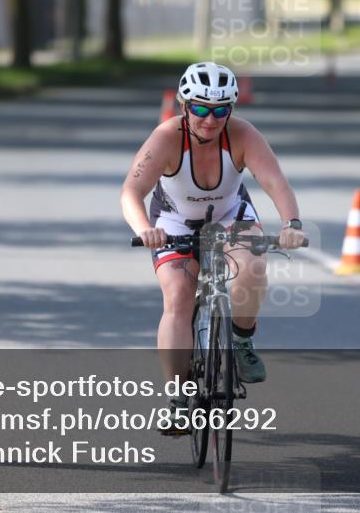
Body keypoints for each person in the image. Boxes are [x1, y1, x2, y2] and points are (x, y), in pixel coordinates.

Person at [120, 62, 304, 429]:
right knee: (178, 296)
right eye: (201, 108)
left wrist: (291, 224)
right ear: (184, 106)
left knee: (253, 266)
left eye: (220, 110)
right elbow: (131, 192)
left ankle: (241, 339)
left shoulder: (243, 135)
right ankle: (177, 398)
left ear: (231, 109)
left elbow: (275, 182)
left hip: (231, 214)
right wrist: (145, 229)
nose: (209, 119)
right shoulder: (166, 138)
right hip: (173, 220)